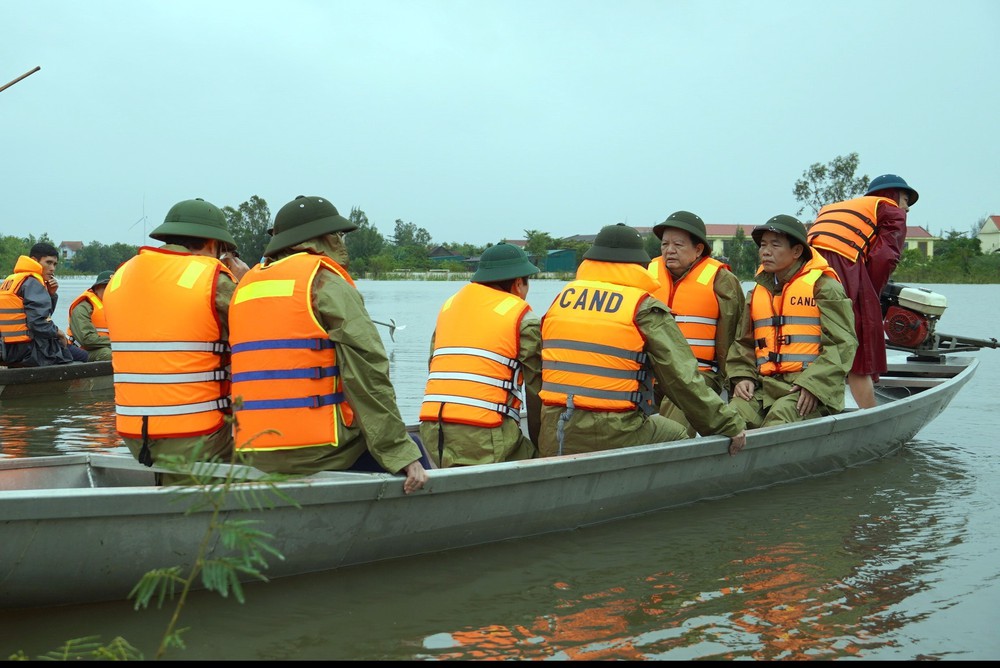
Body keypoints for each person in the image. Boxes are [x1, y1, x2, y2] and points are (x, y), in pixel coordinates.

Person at [228, 195, 428, 494]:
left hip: (252, 451)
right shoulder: (323, 280)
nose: (341, 241)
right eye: (338, 234)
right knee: (414, 450)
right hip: (319, 451)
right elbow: (367, 374)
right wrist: (401, 454)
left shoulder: (243, 287)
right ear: (320, 238)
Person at [538, 223, 747, 458]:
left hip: (554, 431)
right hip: (614, 432)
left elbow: (536, 377)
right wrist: (729, 425)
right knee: (677, 435)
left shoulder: (561, 300)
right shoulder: (642, 307)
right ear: (638, 264)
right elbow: (683, 381)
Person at [103, 198, 250, 484]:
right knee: (272, 440)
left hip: (134, 435)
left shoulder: (120, 275)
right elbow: (258, 339)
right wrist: (245, 281)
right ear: (212, 243)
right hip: (198, 433)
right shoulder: (212, 277)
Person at [419, 242, 542, 467]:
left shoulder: (449, 308)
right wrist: (543, 445)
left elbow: (433, 367)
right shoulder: (522, 318)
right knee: (537, 461)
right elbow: (537, 392)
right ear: (518, 284)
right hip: (484, 435)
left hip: (432, 430)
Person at [727, 215, 857, 428]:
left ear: (797, 251)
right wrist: (742, 376)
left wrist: (813, 385)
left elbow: (843, 344)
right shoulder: (757, 293)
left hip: (808, 388)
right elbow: (744, 344)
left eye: (775, 245)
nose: (765, 251)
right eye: (762, 245)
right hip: (764, 388)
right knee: (730, 419)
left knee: (780, 419)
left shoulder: (825, 288)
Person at [806, 174, 917, 408]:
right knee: (861, 343)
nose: (907, 208)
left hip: (807, 269)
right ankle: (869, 413)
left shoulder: (835, 208)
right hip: (843, 268)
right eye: (906, 200)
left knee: (815, 337)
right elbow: (885, 258)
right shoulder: (891, 209)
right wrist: (870, 295)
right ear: (893, 194)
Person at [646, 210, 745, 436]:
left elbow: (736, 336)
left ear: (698, 249)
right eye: (665, 244)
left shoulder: (723, 281)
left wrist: (734, 380)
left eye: (678, 245)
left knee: (674, 427)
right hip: (649, 373)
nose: (669, 250)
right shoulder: (646, 275)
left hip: (697, 374)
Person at [0, 241, 87, 366]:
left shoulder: (12, 280)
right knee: (83, 356)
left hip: (7, 349)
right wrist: (59, 333)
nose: (52, 268)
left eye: (55, 264)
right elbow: (38, 323)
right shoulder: (33, 282)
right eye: (48, 262)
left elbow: (38, 316)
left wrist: (50, 295)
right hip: (28, 350)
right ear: (34, 260)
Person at [67, 270, 115, 362]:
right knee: (108, 354)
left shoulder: (118, 307)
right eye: (106, 287)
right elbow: (87, 340)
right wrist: (117, 343)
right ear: (96, 289)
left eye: (113, 287)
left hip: (109, 346)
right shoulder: (83, 308)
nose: (110, 291)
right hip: (81, 350)